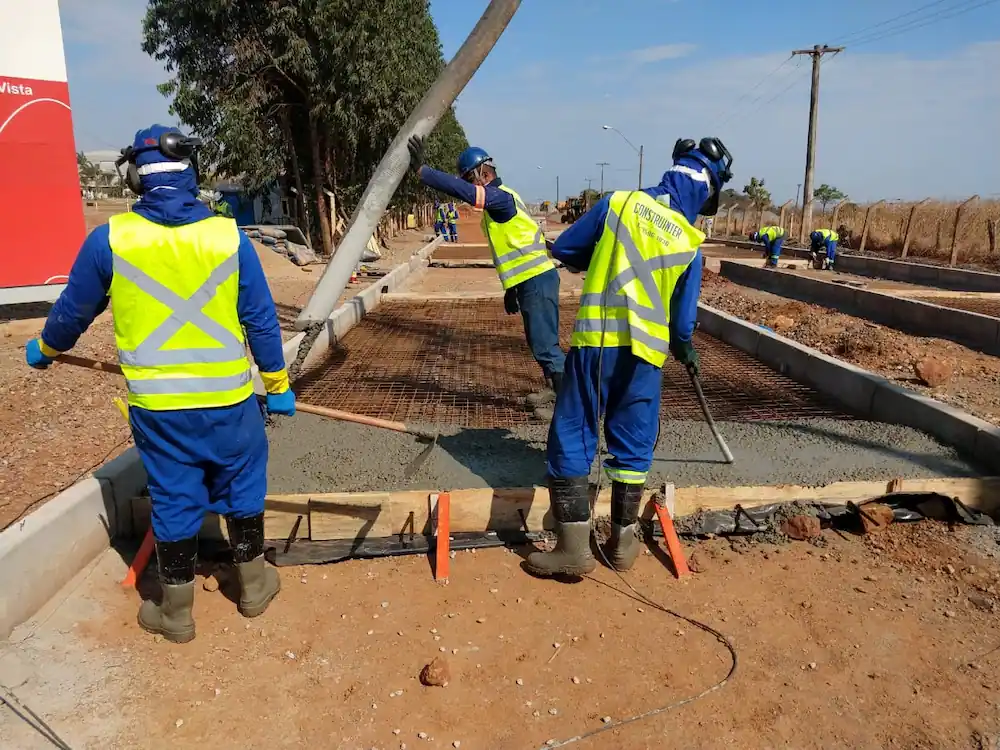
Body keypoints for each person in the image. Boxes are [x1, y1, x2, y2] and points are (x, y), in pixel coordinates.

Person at [25, 125, 295, 643]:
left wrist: (47, 349)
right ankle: (255, 587)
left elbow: (72, 312)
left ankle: (175, 613)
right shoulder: (228, 236)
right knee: (242, 486)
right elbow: (260, 320)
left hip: (161, 410)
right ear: (192, 173)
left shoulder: (110, 240)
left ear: (134, 178)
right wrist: (278, 386)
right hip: (231, 403)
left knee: (173, 497)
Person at [525, 137, 733, 577]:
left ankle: (573, 550)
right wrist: (685, 347)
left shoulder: (618, 205)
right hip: (646, 358)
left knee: (574, 432)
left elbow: (564, 249)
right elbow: (682, 326)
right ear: (706, 191)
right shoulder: (690, 242)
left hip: (598, 343)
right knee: (634, 443)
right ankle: (621, 546)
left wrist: (603, 254)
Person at [407, 137, 565, 415]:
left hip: (537, 279)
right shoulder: (500, 202)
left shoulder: (501, 197)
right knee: (538, 341)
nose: (470, 186)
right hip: (529, 280)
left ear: (484, 173)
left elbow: (469, 194)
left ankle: (567, 407)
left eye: (471, 179)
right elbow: (514, 247)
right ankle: (554, 388)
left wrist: (425, 173)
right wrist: (512, 289)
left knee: (545, 344)